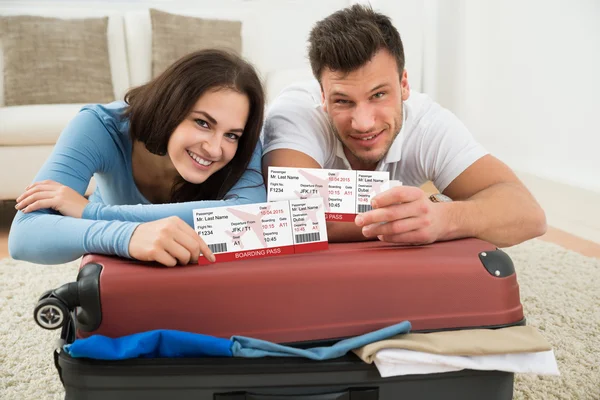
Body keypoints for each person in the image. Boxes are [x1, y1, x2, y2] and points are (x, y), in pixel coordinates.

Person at [262, 4, 546, 247]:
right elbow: (294, 217)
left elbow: (529, 214)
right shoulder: (295, 111)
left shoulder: (428, 123)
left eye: (379, 95)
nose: (363, 123)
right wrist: (424, 207)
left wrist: (443, 218)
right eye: (343, 101)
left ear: (404, 85)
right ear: (323, 97)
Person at [9, 49, 266, 266]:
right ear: (171, 107)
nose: (214, 149)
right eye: (202, 123)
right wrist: (127, 236)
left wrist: (91, 213)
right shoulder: (100, 126)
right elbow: (24, 236)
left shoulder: (244, 144)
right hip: (124, 271)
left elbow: (252, 217)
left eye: (231, 135)